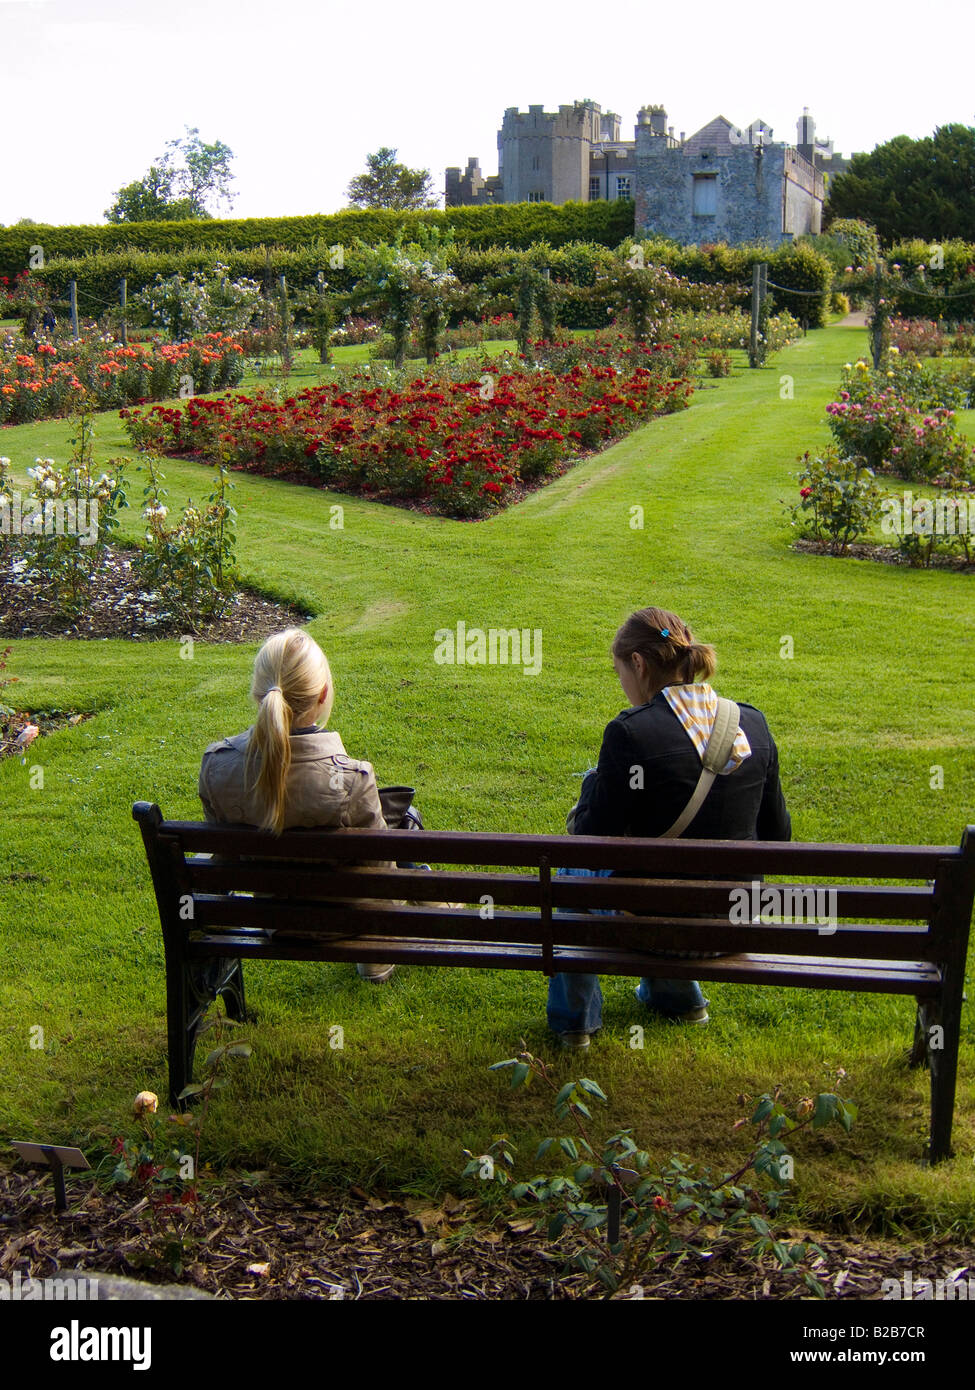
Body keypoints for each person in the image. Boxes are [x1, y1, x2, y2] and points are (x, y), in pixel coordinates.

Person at [547, 606, 791, 1047]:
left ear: (638, 664)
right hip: (736, 920)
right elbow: (777, 836)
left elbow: (586, 845)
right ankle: (679, 998)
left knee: (570, 881)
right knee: (663, 885)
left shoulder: (630, 732)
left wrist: (590, 796)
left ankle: (575, 1025)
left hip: (652, 927)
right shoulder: (752, 724)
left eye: (620, 670)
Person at [198, 627, 397, 982]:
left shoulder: (217, 767)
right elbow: (382, 876)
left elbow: (223, 858)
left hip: (272, 919)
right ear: (322, 694)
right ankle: (374, 957)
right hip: (347, 922)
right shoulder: (353, 779)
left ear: (259, 696)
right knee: (406, 839)